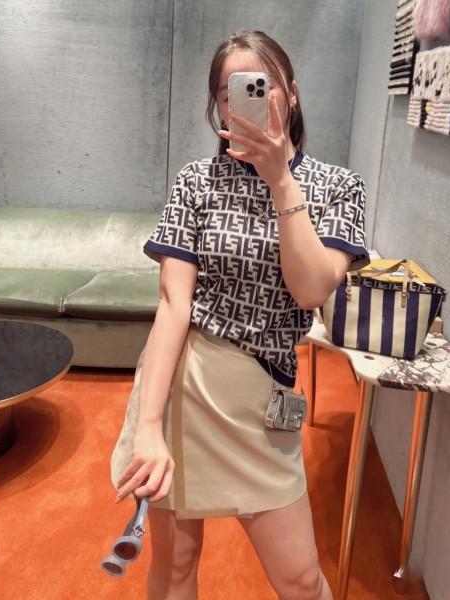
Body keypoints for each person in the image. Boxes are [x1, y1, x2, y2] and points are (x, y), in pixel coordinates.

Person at [110, 30, 369, 599]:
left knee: (301, 578)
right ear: (220, 106)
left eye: (262, 85)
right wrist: (148, 427)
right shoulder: (195, 182)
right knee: (176, 565)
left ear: (291, 93)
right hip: (186, 388)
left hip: (264, 400)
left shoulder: (338, 187)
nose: (248, 101)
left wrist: (281, 180)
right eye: (231, 93)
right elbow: (174, 304)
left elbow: (310, 291)